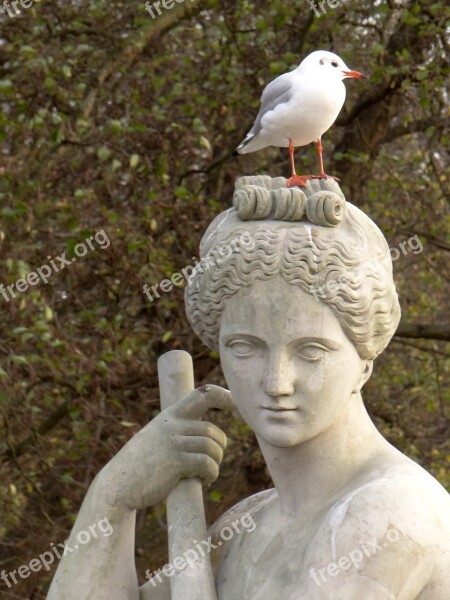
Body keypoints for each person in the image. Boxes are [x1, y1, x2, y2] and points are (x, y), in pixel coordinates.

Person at [48, 178, 450, 600]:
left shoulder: (392, 513)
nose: (276, 382)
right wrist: (113, 496)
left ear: (364, 363)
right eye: (245, 347)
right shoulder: (245, 528)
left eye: (311, 351)